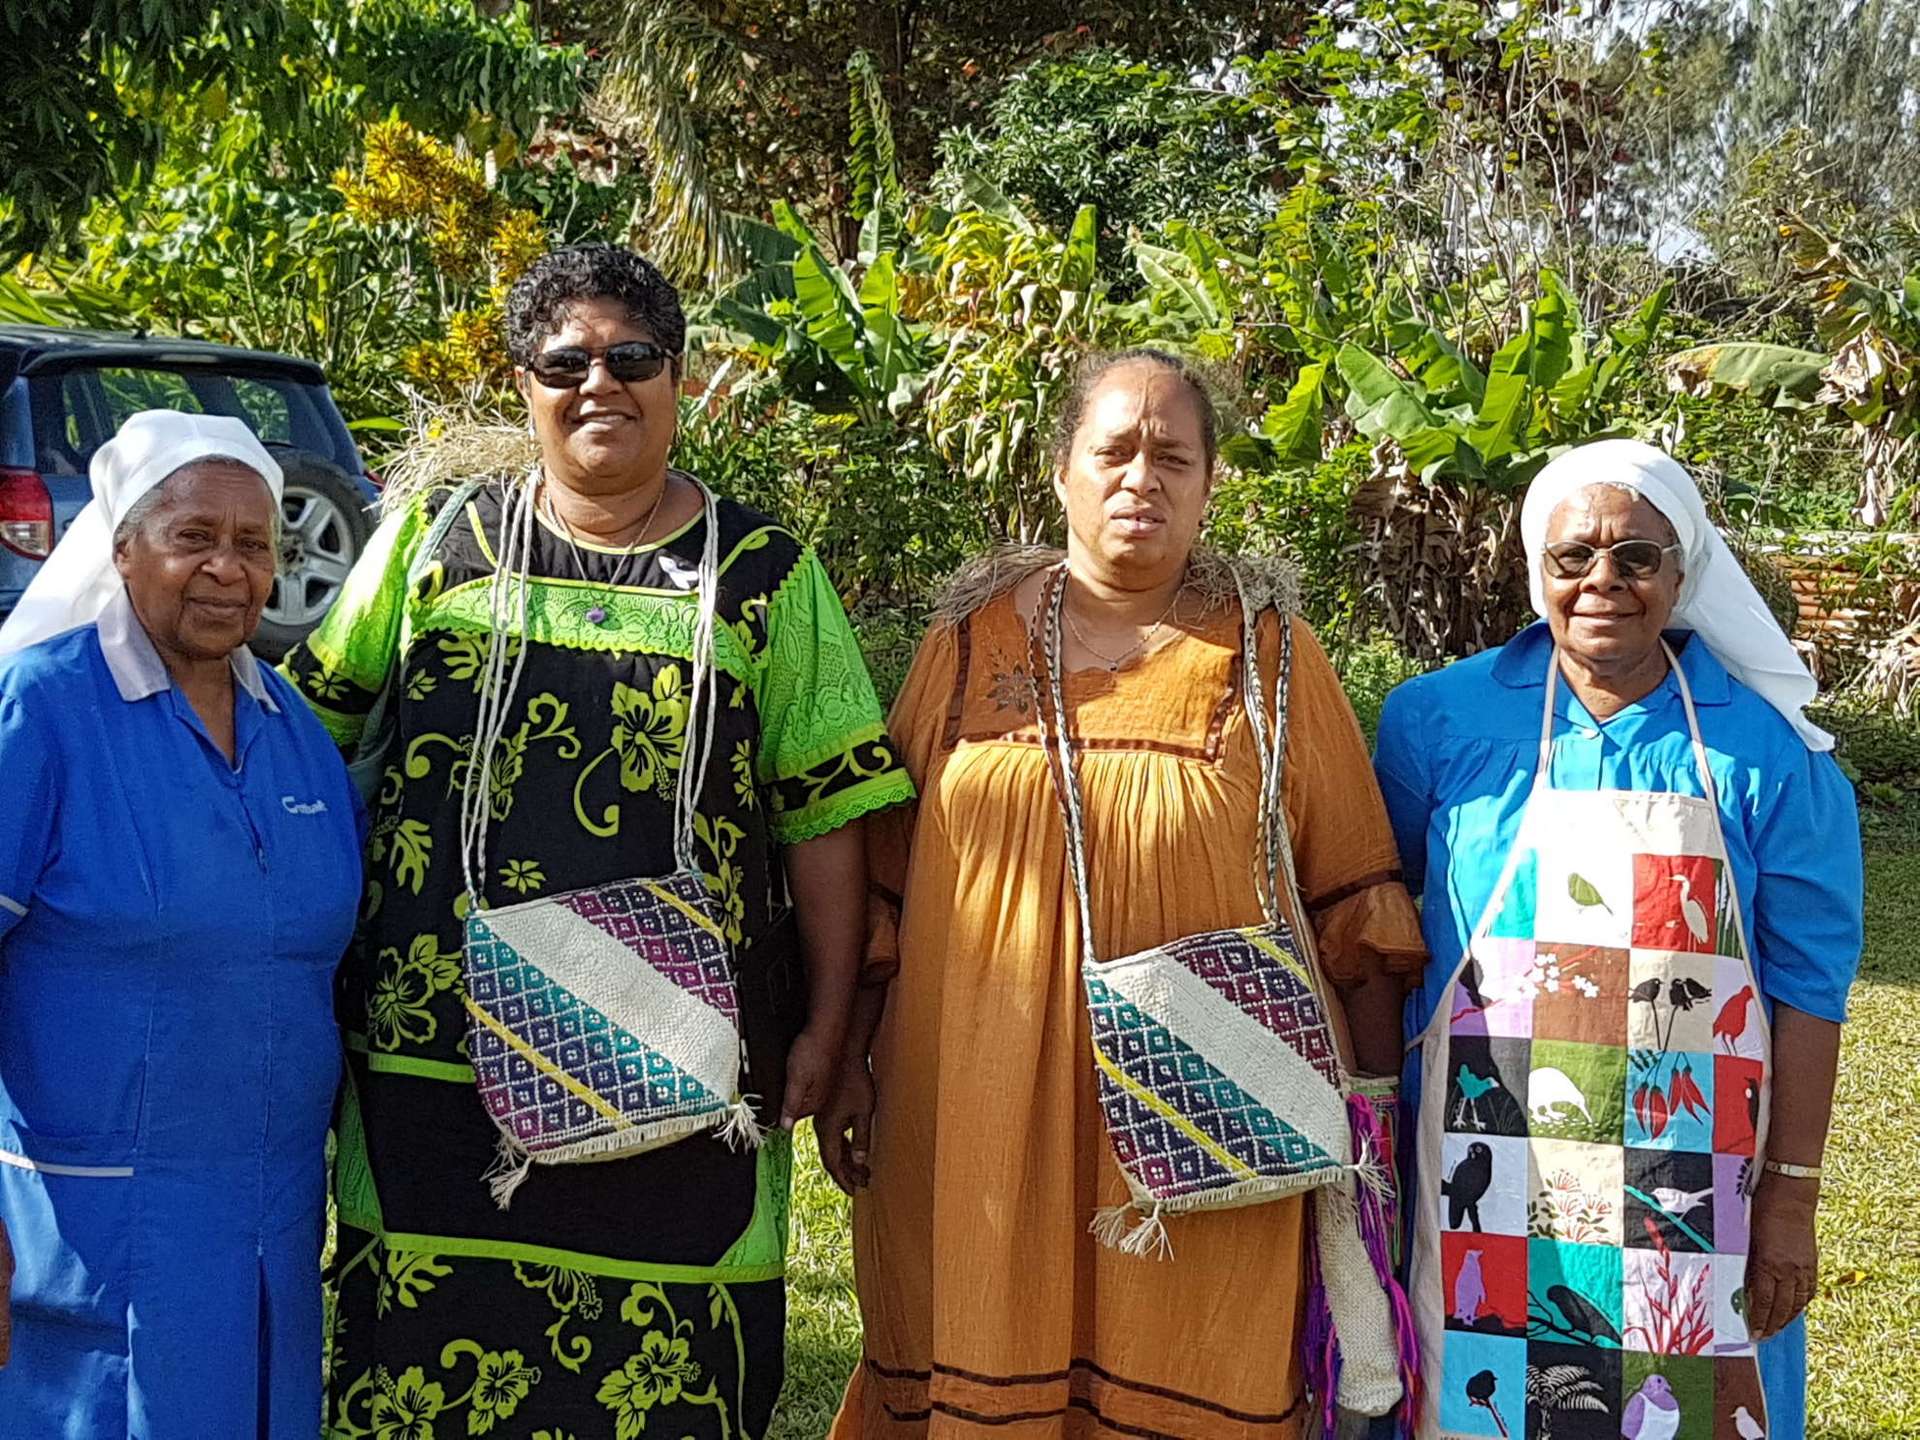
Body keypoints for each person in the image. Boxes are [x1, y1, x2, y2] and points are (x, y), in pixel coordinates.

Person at [281, 243, 912, 1437]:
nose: (598, 385)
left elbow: (825, 817)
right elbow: (310, 746)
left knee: (670, 1372)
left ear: (678, 377)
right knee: (425, 1363)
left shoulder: (764, 577)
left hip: (685, 1051)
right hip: (438, 1052)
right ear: (522, 384)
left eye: (632, 357)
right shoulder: (434, 540)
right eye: (564, 361)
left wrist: (832, 1027)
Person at [822, 348, 1426, 1439]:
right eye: (1114, 451)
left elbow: (1355, 900)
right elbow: (883, 885)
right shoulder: (963, 646)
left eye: (1172, 457)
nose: (1140, 477)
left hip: (1206, 1115)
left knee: (1191, 1364)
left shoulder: (1272, 657)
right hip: (970, 1104)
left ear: (1208, 486)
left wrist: (1372, 1114)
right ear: (1061, 471)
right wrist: (852, 1062)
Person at [1373, 439, 1863, 1440]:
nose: (1604, 580)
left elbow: (1812, 988)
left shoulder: (1766, 748)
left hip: (1693, 1179)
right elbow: (1388, 933)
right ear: (1532, 569)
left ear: (1682, 573)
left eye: (1637, 557)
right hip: (1485, 1168)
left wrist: (1791, 1200)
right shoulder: (1435, 721)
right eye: (1573, 557)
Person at [0, 410, 365, 1435]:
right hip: (93, 1237)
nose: (227, 568)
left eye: (254, 545)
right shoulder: (46, 709)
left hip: (269, 1232)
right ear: (122, 547)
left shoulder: (297, 737)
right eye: (192, 536)